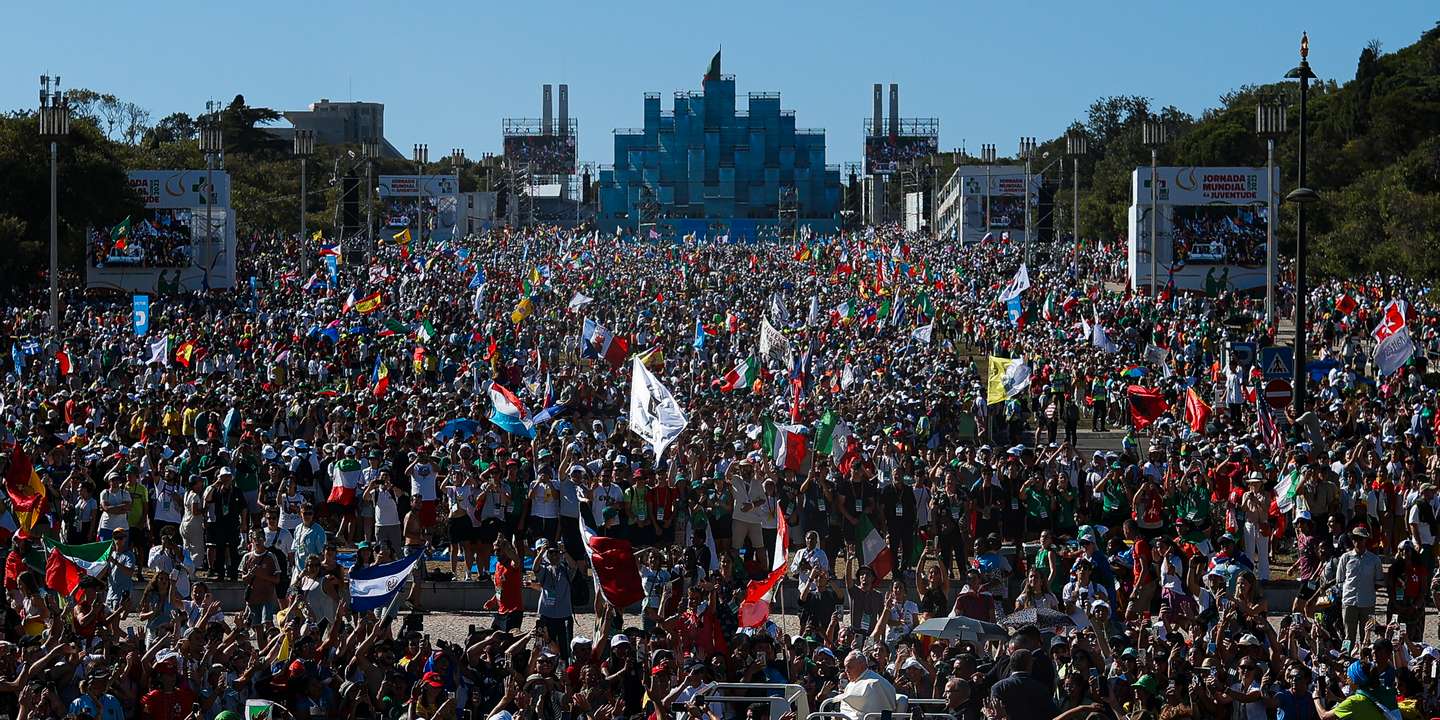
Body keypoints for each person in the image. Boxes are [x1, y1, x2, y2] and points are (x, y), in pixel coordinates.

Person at [1334, 527, 1383, 646]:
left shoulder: (1374, 560)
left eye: (1361, 539)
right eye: (1355, 538)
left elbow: (1378, 582)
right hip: (1349, 602)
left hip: (1368, 603)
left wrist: (1367, 591)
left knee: (1366, 636)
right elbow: (1339, 580)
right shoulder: (1345, 558)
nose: (1358, 541)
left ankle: (1365, 661)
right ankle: (1346, 659)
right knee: (1348, 637)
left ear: (1365, 540)